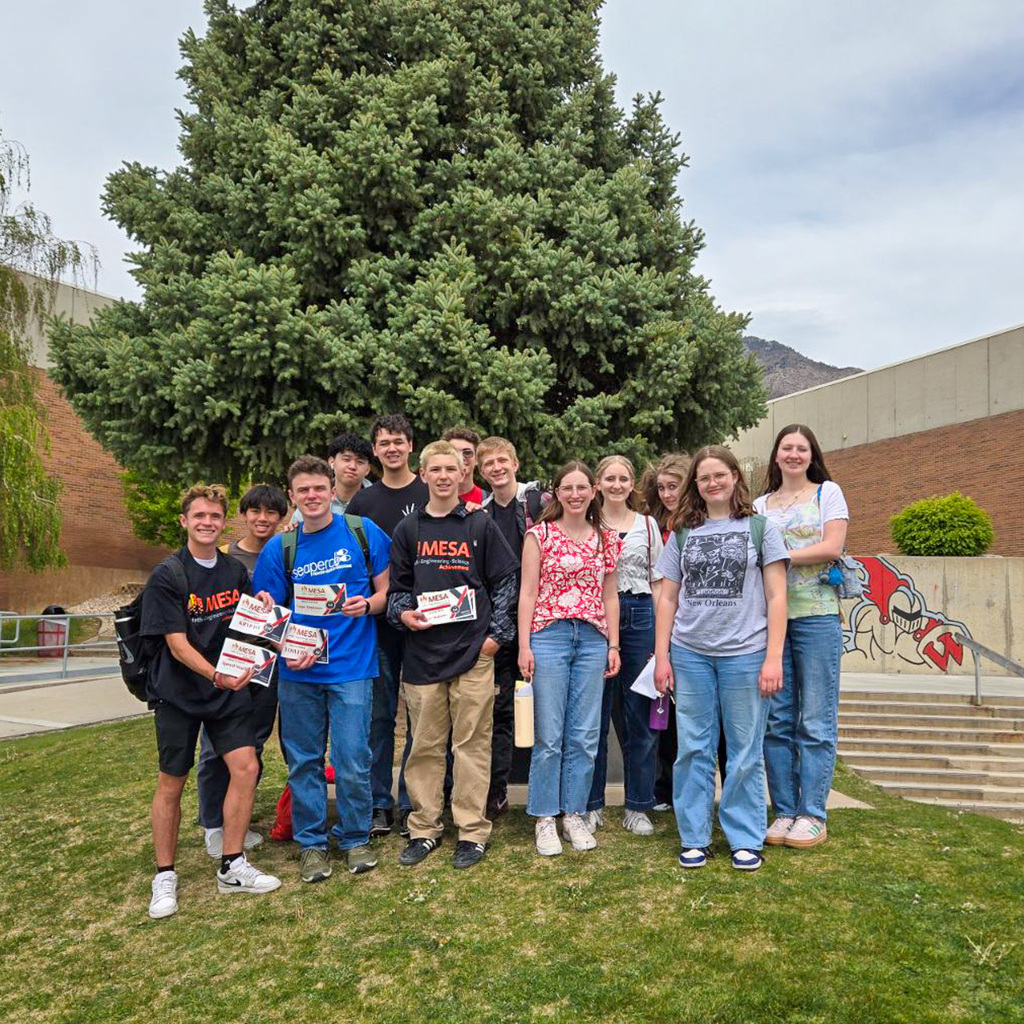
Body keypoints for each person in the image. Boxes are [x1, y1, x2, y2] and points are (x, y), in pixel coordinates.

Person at [142, 484, 281, 920]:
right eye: (198, 516)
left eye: (215, 517)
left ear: (224, 523)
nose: (207, 523)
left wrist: (259, 604)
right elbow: (178, 645)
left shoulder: (232, 570)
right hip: (179, 694)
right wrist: (215, 674)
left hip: (226, 692)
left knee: (246, 767)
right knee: (172, 782)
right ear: (184, 521)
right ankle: (164, 875)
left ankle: (232, 864)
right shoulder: (168, 574)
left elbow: (242, 622)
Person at [253, 455, 391, 882]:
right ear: (292, 498)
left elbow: (388, 591)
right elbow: (269, 612)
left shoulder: (363, 533)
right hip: (299, 671)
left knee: (352, 759)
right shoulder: (281, 547)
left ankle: (354, 838)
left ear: (333, 492)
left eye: (319, 488)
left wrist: (367, 604)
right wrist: (283, 650)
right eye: (303, 491)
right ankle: (312, 844)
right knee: (304, 762)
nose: (312, 497)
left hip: (352, 667)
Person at [653, 446, 788, 872]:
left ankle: (745, 837)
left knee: (745, 751)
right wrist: (662, 657)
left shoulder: (762, 529)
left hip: (745, 655)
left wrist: (773, 658)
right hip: (691, 654)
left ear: (734, 477)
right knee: (692, 748)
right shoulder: (682, 533)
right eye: (704, 477)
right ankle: (694, 835)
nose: (712, 483)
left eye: (719, 475)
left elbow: (776, 595)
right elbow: (668, 598)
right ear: (696, 484)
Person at [387, 440, 518, 869]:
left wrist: (495, 637)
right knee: (423, 747)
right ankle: (424, 828)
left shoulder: (478, 525)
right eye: (435, 469)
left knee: (471, 747)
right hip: (423, 657)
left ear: (463, 476)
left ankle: (472, 831)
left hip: (473, 654)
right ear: (422, 474)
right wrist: (404, 615)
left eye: (452, 469)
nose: (444, 476)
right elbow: (398, 592)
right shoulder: (410, 530)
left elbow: (505, 582)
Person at [754, 424, 849, 849]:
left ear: (812, 455)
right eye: (786, 447)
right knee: (776, 721)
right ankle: (785, 811)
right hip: (769, 620)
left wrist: (779, 556)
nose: (793, 454)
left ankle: (813, 813)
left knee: (815, 719)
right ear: (776, 455)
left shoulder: (827, 493)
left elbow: (832, 546)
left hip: (816, 616)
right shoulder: (759, 504)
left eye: (801, 448)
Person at [519, 462, 621, 857]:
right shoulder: (539, 534)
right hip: (549, 636)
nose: (575, 494)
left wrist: (612, 644)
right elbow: (528, 592)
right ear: (556, 493)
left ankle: (573, 813)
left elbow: (610, 594)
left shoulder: (605, 538)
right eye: (567, 488)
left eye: (582, 487)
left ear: (593, 491)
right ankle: (544, 817)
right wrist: (526, 645)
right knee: (550, 735)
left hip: (593, 639)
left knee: (584, 734)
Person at [347, 414, 429, 837]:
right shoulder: (362, 503)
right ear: (375, 451)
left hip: (423, 623)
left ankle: (414, 800)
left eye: (399, 441)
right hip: (376, 626)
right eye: (384, 443)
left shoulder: (429, 490)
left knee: (420, 718)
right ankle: (379, 803)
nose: (392, 448)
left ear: (410, 445)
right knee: (378, 719)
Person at [197, 483, 288, 858]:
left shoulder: (285, 554)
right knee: (214, 746)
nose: (262, 519)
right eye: (255, 512)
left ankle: (239, 819)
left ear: (281, 518)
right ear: (244, 514)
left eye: (271, 513)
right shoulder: (223, 556)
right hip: (224, 666)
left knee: (252, 743)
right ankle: (212, 825)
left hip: (266, 666)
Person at [587, 455, 664, 836]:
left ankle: (638, 805)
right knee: (595, 717)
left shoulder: (648, 526)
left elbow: (658, 583)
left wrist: (657, 639)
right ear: (597, 483)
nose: (616, 485)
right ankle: (592, 804)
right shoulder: (585, 522)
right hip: (595, 617)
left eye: (624, 479)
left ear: (632, 484)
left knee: (640, 716)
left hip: (638, 615)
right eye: (609, 478)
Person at [477, 436, 550, 817]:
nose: (496, 468)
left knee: (552, 709)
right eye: (488, 463)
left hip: (548, 619)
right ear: (480, 470)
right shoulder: (480, 513)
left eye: (502, 460)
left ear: (516, 463)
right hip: (502, 624)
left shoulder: (541, 502)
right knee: (503, 709)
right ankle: (498, 791)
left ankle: (552, 793)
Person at [640, 454, 689, 811]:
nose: (668, 494)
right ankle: (662, 785)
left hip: (696, 626)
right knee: (660, 711)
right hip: (660, 620)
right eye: (662, 487)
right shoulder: (653, 526)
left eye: (674, 486)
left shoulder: (698, 523)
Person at [290, 433, 373, 523]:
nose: (352, 466)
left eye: (360, 462)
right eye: (346, 459)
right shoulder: (317, 498)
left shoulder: (377, 500)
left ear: (368, 469)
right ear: (332, 462)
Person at [442, 426, 488, 504]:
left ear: (477, 459)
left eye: (467, 452)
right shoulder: (429, 499)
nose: (460, 457)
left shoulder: (488, 501)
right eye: (454, 452)